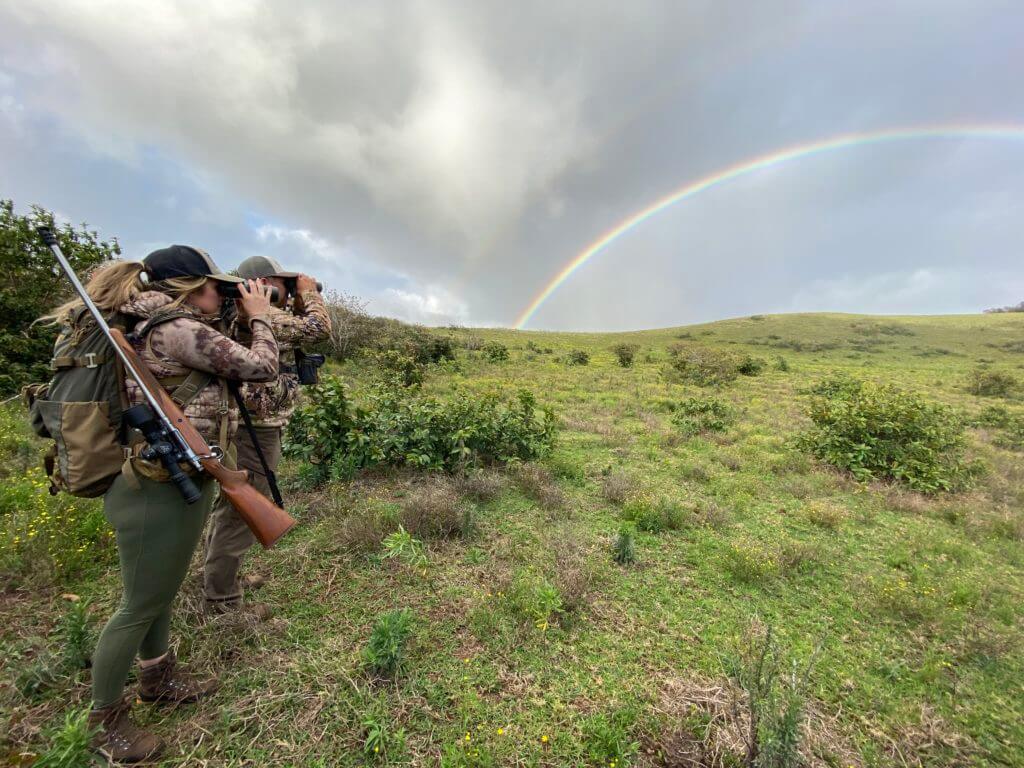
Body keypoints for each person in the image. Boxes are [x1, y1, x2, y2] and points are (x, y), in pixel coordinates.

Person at [44, 245, 280, 763]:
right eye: (215, 286)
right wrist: (260, 318)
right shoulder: (176, 329)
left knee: (158, 590)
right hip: (159, 487)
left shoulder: (156, 325)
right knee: (138, 606)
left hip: (170, 480)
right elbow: (260, 366)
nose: (222, 295)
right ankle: (104, 720)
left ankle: (158, 677)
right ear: (190, 287)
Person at [203, 256, 330, 615]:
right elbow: (317, 329)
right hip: (252, 424)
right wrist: (309, 295)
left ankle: (222, 578)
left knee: (232, 503)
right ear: (259, 282)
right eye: (282, 283)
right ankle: (222, 599)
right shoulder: (253, 311)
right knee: (243, 506)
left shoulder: (254, 312)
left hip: (251, 421)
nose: (289, 290)